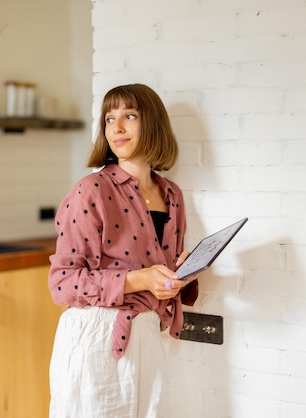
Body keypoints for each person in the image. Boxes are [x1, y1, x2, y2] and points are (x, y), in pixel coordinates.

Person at [48, 83, 199, 418]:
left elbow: (156, 272)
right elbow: (62, 282)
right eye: (109, 118)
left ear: (153, 124)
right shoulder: (90, 191)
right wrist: (141, 279)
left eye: (129, 115)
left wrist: (180, 273)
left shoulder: (171, 195)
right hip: (95, 336)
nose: (116, 127)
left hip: (146, 337)